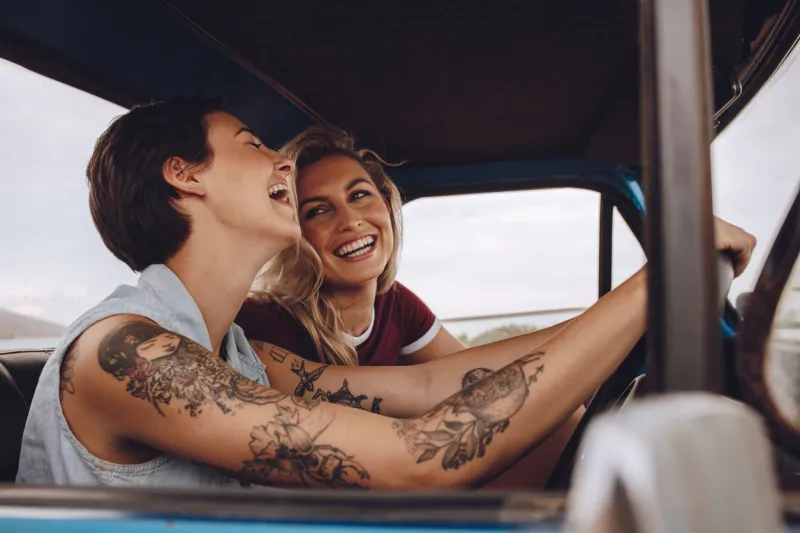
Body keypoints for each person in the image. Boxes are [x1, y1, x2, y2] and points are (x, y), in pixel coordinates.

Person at [16, 98, 756, 490]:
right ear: (185, 176)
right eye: (252, 143)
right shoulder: (126, 353)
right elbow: (413, 459)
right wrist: (654, 285)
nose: (280, 161)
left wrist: (634, 309)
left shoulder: (244, 356)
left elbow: (430, 384)